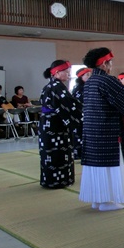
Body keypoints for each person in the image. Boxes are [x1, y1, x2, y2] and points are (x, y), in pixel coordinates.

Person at [78, 48, 124, 211]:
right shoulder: (106, 81)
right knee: (110, 164)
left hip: (92, 131)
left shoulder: (90, 81)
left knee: (95, 166)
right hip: (107, 131)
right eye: (110, 62)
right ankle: (106, 201)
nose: (111, 65)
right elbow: (123, 98)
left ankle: (97, 199)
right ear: (105, 63)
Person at [38, 60, 83, 188]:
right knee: (57, 152)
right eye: (66, 71)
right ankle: (59, 180)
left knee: (51, 153)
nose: (68, 74)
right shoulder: (56, 87)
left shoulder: (50, 86)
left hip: (49, 123)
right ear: (57, 73)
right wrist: (83, 111)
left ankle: (51, 179)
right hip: (55, 124)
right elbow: (69, 105)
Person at [71, 67, 92, 159]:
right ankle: (78, 153)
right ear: (81, 77)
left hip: (87, 114)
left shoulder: (88, 86)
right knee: (79, 134)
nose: (89, 77)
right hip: (80, 115)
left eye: (89, 75)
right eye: (87, 75)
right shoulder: (78, 89)